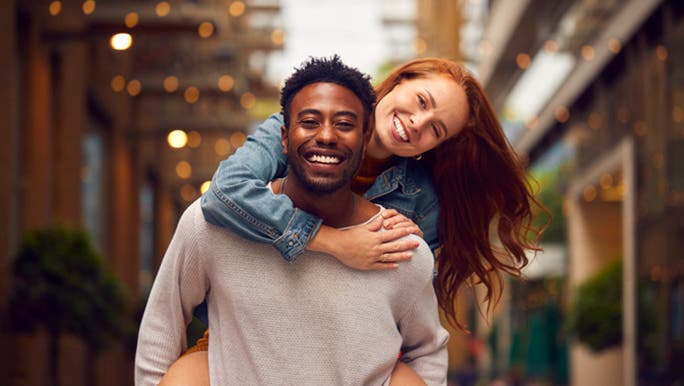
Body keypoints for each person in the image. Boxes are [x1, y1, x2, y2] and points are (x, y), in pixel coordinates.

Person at [135, 56, 449, 386]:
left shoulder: (397, 248)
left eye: (344, 124)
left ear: (364, 138)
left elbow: (427, 350)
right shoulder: (211, 225)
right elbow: (162, 326)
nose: (327, 136)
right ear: (284, 138)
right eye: (310, 122)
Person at [201, 57, 545, 330]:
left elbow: (399, 304)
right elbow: (224, 194)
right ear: (399, 82)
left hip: (337, 341)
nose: (417, 123)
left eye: (435, 129)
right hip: (243, 324)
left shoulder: (423, 206)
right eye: (421, 101)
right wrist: (333, 242)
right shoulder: (302, 128)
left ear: (436, 146)